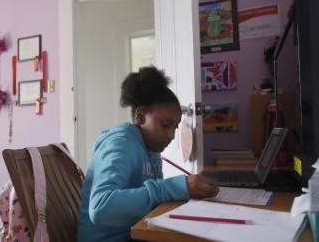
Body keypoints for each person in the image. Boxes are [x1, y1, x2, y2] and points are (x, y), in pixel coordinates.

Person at [77, 66, 219, 242]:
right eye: (165, 124)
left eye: (175, 127)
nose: (171, 135)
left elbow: (150, 196)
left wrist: (184, 191)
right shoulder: (120, 144)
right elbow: (101, 208)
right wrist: (174, 187)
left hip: (134, 232)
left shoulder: (149, 147)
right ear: (140, 117)